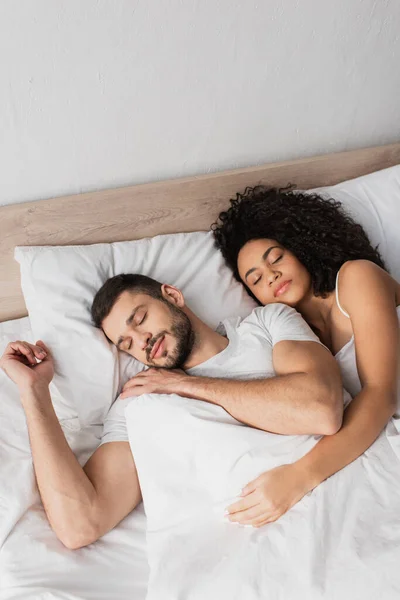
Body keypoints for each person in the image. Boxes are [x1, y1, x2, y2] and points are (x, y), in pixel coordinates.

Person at [0, 273, 343, 547]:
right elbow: (80, 525)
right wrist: (34, 392)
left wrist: (186, 385)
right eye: (127, 344)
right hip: (263, 535)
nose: (142, 341)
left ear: (173, 296)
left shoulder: (267, 324)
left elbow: (322, 409)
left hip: (338, 490)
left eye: (140, 319)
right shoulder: (140, 401)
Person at [210, 185, 400, 526]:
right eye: (255, 279)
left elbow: (381, 394)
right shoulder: (298, 344)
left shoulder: (357, 278)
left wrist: (298, 477)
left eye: (276, 258)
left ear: (300, 248)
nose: (271, 276)